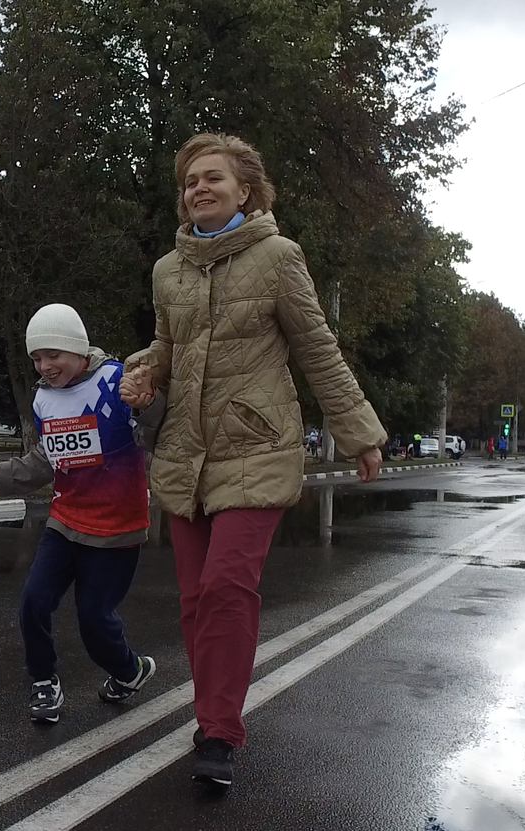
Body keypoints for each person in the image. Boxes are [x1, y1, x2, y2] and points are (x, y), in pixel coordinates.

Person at [120, 133, 385, 788]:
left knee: (226, 588)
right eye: (189, 182)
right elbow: (166, 348)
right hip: (187, 451)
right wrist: (144, 372)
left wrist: (358, 433)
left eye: (213, 178)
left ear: (246, 190)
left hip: (257, 445)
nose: (199, 189)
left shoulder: (278, 258)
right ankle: (213, 709)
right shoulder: (167, 270)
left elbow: (316, 348)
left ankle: (218, 731)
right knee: (193, 598)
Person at [0, 304, 160, 725]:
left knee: (94, 620)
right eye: (36, 357)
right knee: (34, 602)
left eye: (52, 354)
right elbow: (44, 460)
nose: (44, 365)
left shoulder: (116, 381)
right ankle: (43, 682)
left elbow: (155, 433)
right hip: (65, 521)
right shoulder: (43, 399)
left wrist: (148, 405)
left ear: (75, 347)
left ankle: (130, 670)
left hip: (117, 529)